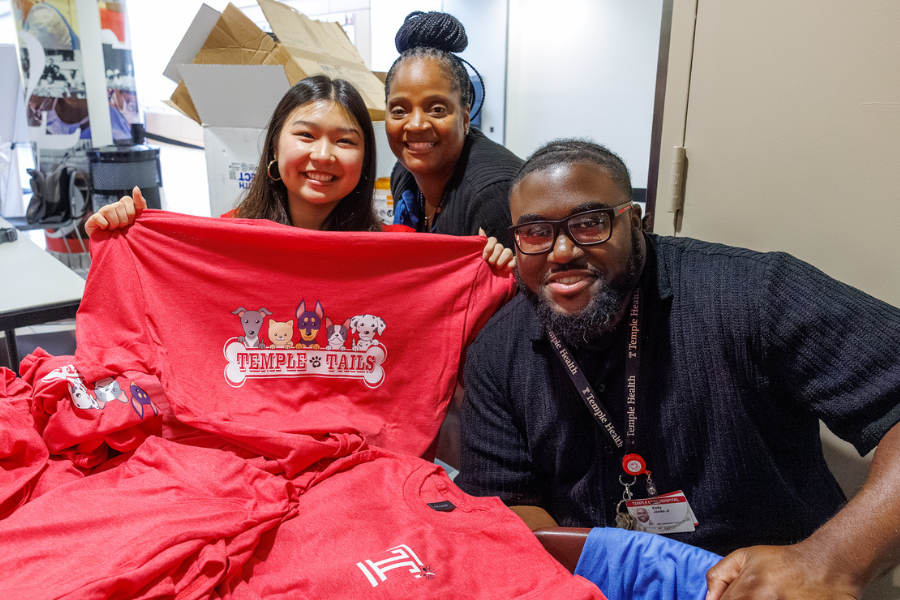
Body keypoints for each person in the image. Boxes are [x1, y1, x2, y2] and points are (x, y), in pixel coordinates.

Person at [456, 139, 900, 599]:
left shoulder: (752, 295)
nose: (562, 250)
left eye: (590, 224)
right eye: (535, 233)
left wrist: (830, 560)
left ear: (634, 221)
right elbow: (507, 504)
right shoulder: (497, 351)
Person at [87, 75, 513, 268]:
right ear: (274, 146)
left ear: (365, 162)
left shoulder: (398, 256)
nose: (324, 155)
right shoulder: (223, 244)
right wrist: (126, 233)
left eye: (345, 141)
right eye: (306, 136)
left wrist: (486, 267)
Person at [385, 11, 523, 247]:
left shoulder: (491, 195)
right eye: (399, 110)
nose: (416, 124)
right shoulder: (403, 174)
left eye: (437, 109)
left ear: (465, 117)